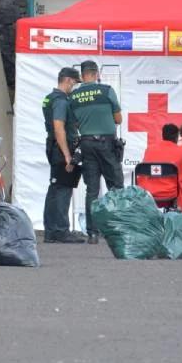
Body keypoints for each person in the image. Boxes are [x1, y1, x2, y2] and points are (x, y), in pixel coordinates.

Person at [69, 60, 123, 243]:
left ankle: (92, 233)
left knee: (92, 190)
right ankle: (117, 229)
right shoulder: (107, 90)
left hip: (86, 144)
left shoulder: (74, 96)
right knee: (115, 187)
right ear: (97, 74)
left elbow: (74, 124)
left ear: (82, 75)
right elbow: (118, 119)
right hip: (107, 143)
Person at [42, 67, 86, 243]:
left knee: (55, 188)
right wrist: (67, 154)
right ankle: (61, 230)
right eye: (75, 83)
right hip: (62, 147)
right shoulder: (61, 101)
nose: (75, 87)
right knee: (63, 189)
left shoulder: (49, 98)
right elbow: (59, 126)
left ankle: (51, 231)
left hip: (54, 146)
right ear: (68, 80)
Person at [137, 124, 182, 211]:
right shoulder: (181, 152)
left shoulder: (150, 149)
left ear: (163, 135)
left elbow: (144, 172)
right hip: (170, 192)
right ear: (176, 137)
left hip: (148, 191)